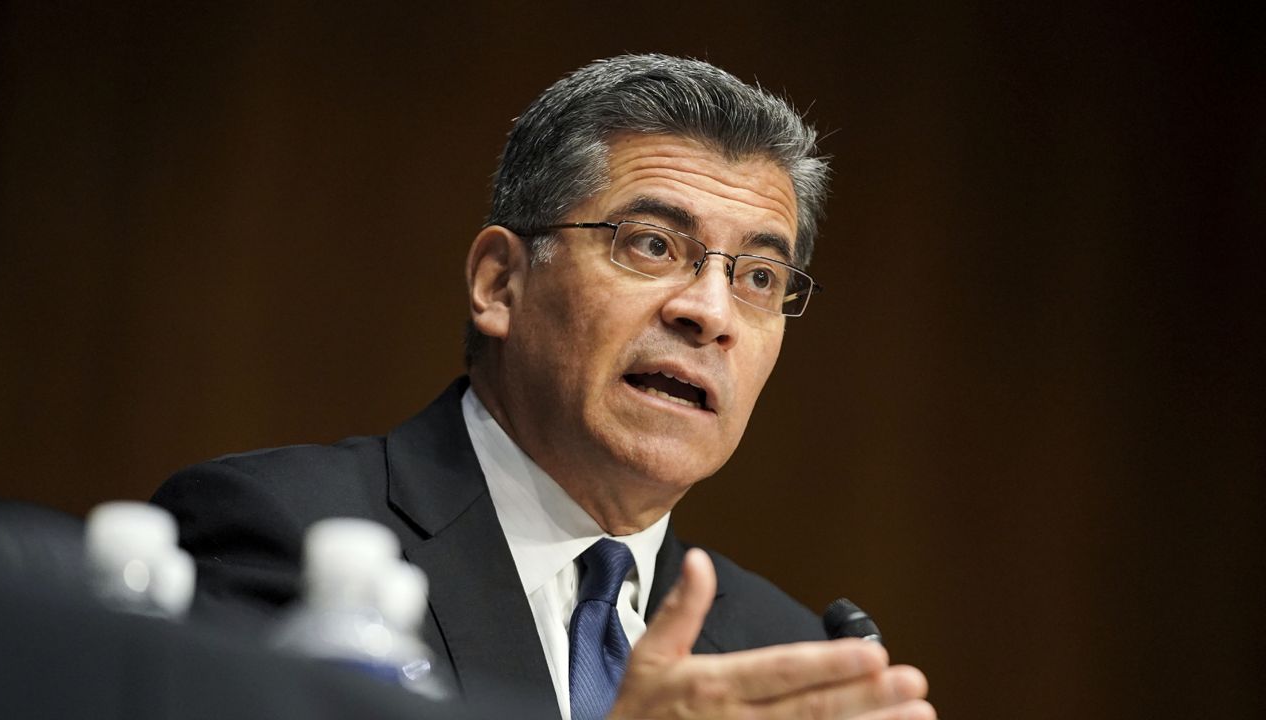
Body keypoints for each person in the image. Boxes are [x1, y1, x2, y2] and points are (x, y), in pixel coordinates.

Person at [154, 54, 935, 720]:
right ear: (500, 283)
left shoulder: (782, 657)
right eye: (653, 245)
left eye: (761, 277)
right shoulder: (277, 534)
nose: (709, 312)